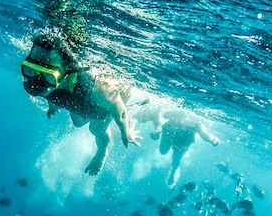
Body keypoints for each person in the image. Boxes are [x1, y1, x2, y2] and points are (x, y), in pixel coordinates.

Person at [21, 29, 141, 176]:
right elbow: (48, 92)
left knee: (96, 129)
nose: (36, 82)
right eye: (30, 70)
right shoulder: (40, 81)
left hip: (101, 107)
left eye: (48, 76)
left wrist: (125, 130)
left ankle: (102, 152)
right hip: (79, 101)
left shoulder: (97, 86)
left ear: (67, 71)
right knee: (77, 123)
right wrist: (51, 105)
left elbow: (117, 105)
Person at [155, 108, 220, 188]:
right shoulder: (180, 113)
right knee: (163, 152)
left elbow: (205, 135)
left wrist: (213, 140)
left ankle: (173, 171)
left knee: (176, 158)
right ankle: (174, 169)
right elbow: (165, 115)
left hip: (183, 141)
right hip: (170, 133)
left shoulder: (198, 122)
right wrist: (175, 112)